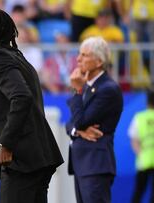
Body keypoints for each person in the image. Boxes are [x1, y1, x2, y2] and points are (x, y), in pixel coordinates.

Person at [0, 8, 64, 203]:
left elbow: (21, 97)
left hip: (22, 160)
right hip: (38, 156)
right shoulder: (14, 56)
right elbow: (16, 104)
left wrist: (7, 144)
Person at [65, 36, 123, 203]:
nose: (78, 59)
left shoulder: (108, 89)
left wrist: (77, 92)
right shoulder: (87, 86)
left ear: (99, 61)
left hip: (96, 164)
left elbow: (80, 121)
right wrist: (79, 132)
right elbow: (70, 124)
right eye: (79, 54)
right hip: (83, 164)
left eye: (84, 55)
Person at [128, 87, 154, 203]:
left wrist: (142, 154)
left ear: (147, 102)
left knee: (138, 192)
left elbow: (134, 141)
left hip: (143, 162)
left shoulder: (139, 118)